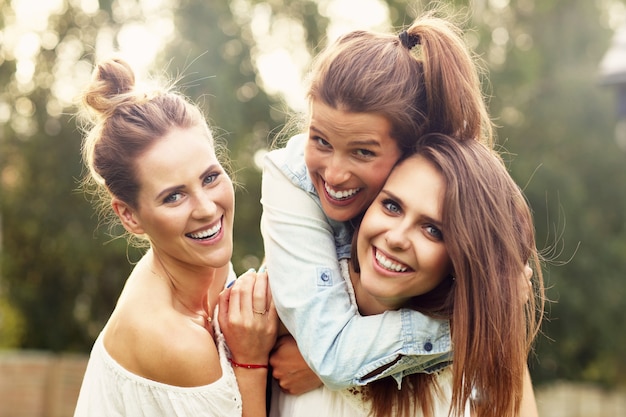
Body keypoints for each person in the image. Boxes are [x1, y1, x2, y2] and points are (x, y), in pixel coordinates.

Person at [261, 11, 497, 392]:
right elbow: (333, 355)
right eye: (320, 140)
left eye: (363, 153)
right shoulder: (291, 179)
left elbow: (328, 360)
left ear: (409, 151)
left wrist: (323, 364)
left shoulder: (445, 194)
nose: (334, 174)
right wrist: (477, 325)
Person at [271, 134, 544, 417]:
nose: (397, 238)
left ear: (461, 260)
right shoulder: (288, 303)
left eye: (433, 230)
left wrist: (485, 320)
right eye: (391, 206)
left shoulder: (476, 357)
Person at [73, 58, 278, 417]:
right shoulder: (170, 338)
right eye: (173, 196)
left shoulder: (204, 267)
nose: (206, 209)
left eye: (211, 177)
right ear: (130, 215)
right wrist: (251, 363)